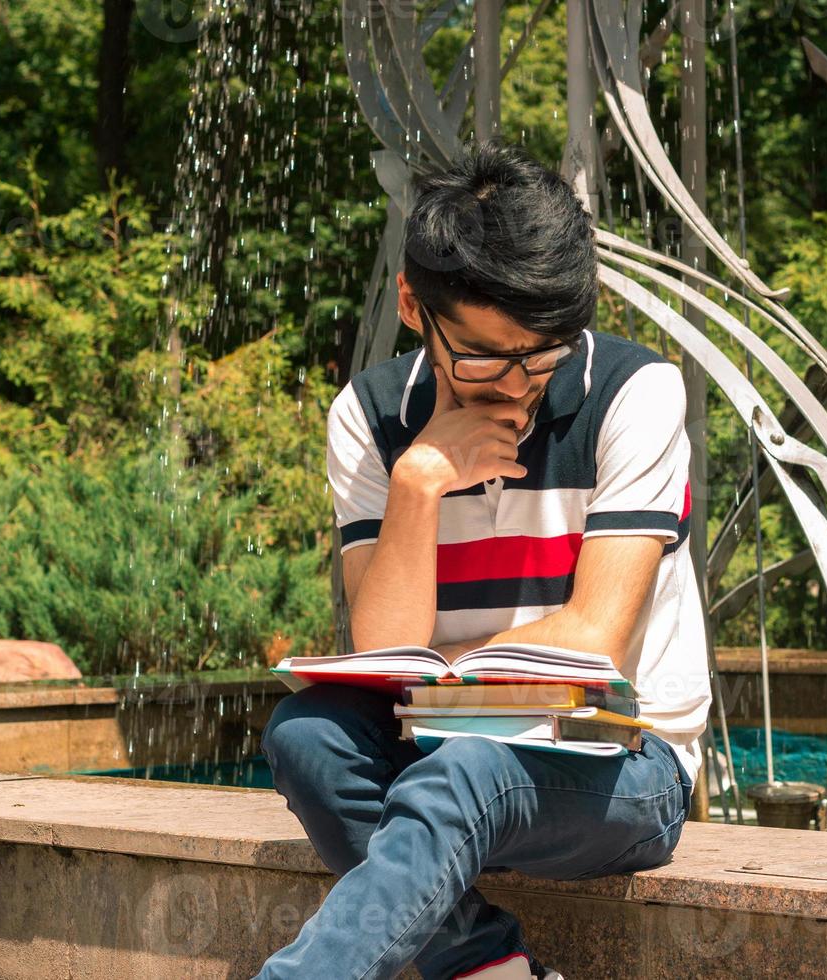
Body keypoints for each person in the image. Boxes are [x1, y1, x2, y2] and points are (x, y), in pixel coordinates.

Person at [254, 141, 711, 980]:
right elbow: (384, 644)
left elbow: (593, 639)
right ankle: (488, 968)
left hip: (620, 768)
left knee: (468, 767)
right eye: (482, 356)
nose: (515, 385)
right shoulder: (368, 417)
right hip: (442, 750)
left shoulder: (636, 394)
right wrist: (419, 483)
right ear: (412, 305)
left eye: (541, 352)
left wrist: (439, 675)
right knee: (308, 736)